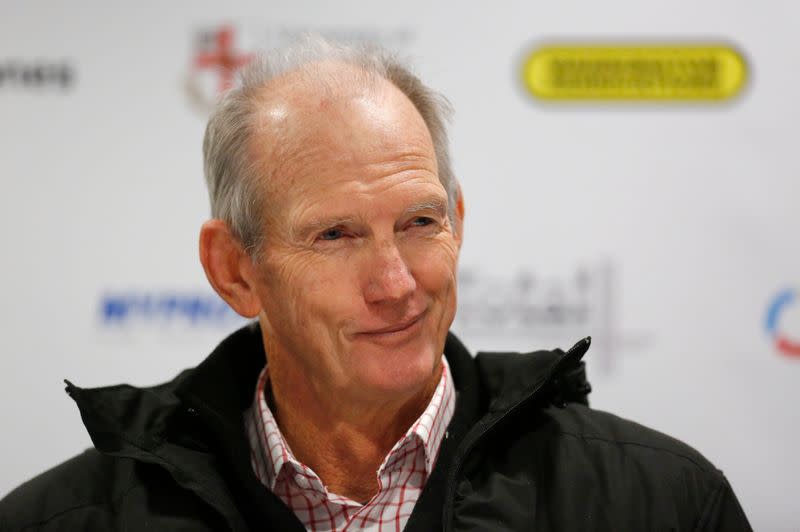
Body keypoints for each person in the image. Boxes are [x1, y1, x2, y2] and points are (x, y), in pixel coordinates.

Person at [0, 37, 750, 531]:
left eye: (420, 222)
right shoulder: (62, 520)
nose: (396, 284)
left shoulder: (659, 502)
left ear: (457, 218)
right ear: (235, 270)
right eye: (335, 235)